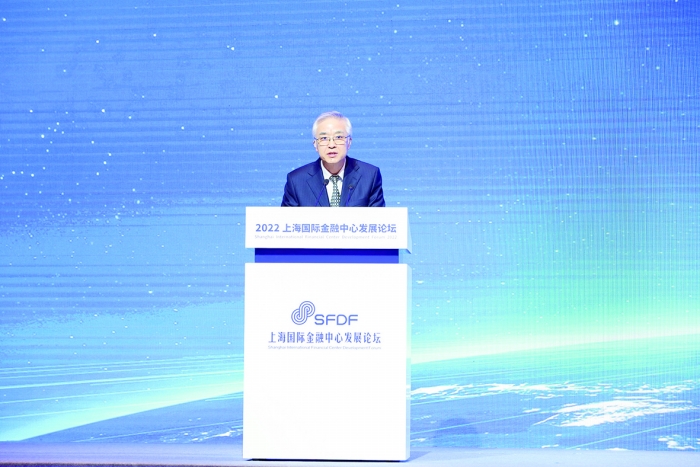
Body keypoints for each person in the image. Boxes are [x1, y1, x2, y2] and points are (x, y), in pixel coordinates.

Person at [281, 111, 385, 207]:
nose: (331, 145)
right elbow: (286, 220)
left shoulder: (369, 176)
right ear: (315, 145)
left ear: (349, 142)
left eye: (338, 137)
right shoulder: (296, 181)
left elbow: (378, 218)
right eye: (324, 138)